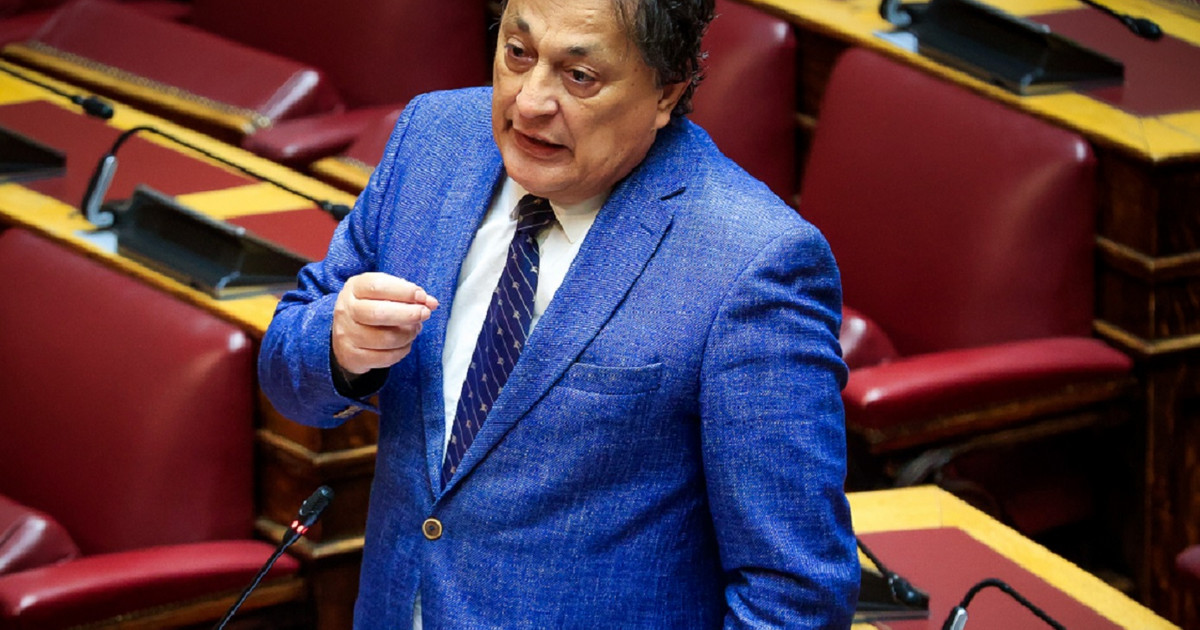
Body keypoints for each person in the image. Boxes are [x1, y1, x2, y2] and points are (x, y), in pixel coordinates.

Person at [258, 0, 859, 626]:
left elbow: (796, 595)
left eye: (579, 77)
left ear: (667, 91)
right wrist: (337, 348)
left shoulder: (749, 262)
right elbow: (286, 370)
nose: (529, 103)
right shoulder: (433, 141)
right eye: (517, 54)